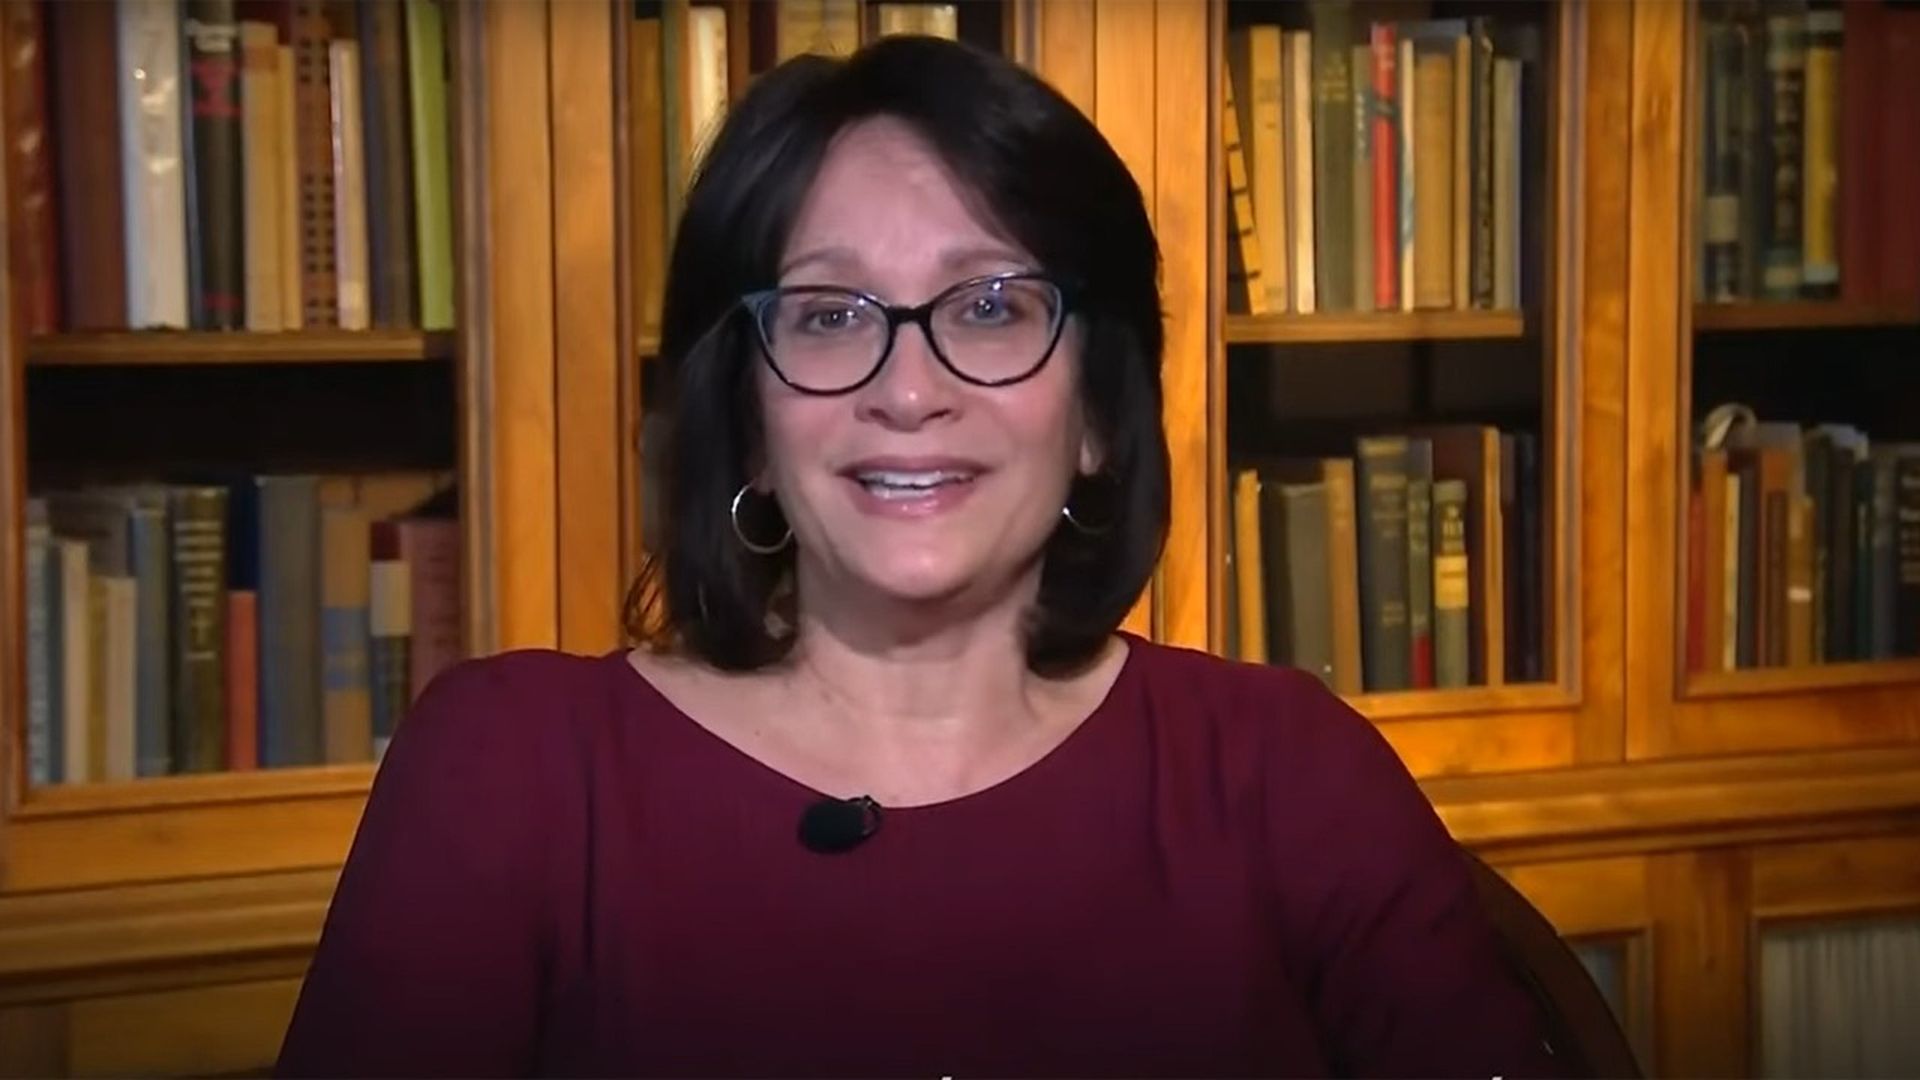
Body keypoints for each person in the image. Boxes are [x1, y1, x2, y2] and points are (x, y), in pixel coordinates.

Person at [275, 33, 1567, 1080]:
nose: (908, 389)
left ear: (1103, 414)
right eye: (830, 316)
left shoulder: (1288, 769)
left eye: (992, 306)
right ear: (748, 419)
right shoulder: (515, 771)